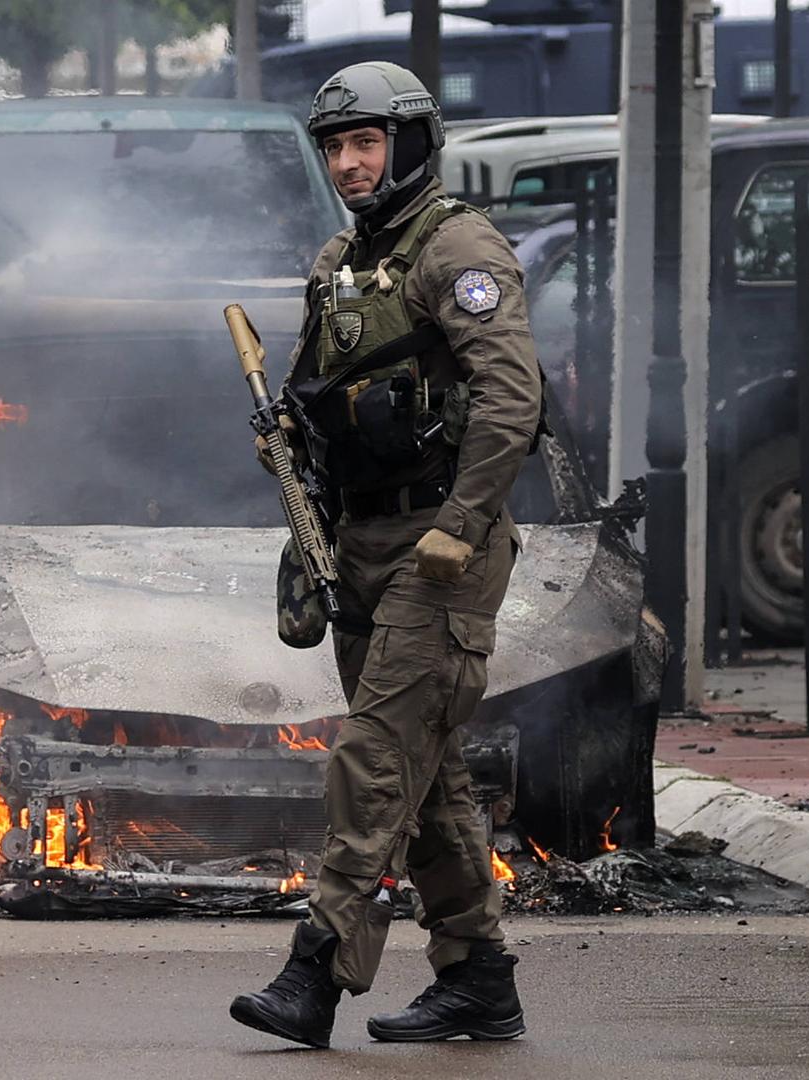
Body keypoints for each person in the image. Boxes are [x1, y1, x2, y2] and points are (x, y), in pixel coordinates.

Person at [229, 61, 546, 1049]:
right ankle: (478, 979)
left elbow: (510, 399)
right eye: (335, 148)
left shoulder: (458, 249)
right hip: (359, 539)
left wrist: (460, 524)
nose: (348, 164)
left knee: (372, 759)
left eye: (365, 144)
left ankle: (314, 972)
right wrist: (297, 479)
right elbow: (318, 402)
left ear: (410, 144)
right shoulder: (337, 263)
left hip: (440, 546)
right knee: (429, 770)